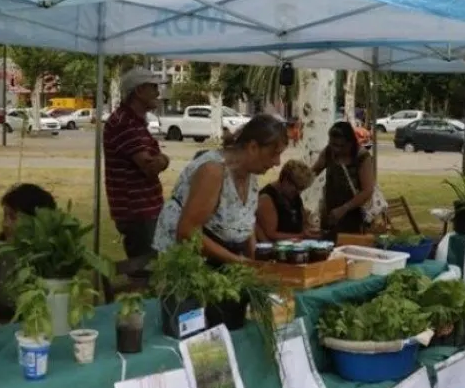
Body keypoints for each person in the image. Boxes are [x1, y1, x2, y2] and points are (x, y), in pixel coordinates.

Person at [153, 115, 287, 265]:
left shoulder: (250, 175)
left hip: (222, 263)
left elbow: (245, 226)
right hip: (187, 264)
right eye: (274, 154)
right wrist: (239, 262)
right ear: (253, 147)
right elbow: (187, 232)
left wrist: (254, 265)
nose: (277, 162)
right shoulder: (213, 171)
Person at [104, 67, 170, 275]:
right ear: (139, 91)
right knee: (146, 274)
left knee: (153, 268)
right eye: (153, 88)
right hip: (137, 212)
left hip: (146, 208)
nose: (158, 93)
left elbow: (157, 159)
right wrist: (163, 160)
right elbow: (150, 167)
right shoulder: (124, 123)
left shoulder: (135, 122)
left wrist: (161, 159)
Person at [0, 184, 56, 325]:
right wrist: (3, 334)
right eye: (5, 215)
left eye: (13, 217)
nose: (5, 224)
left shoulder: (56, 257)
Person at [313, 121, 376, 236]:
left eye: (340, 146)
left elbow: (367, 191)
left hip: (355, 215)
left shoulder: (362, 157)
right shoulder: (329, 152)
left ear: (350, 143)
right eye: (332, 144)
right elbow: (313, 172)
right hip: (331, 213)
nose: (336, 149)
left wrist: (344, 208)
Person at [256, 159, 316, 242]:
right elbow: (271, 234)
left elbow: (303, 222)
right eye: (296, 188)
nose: (298, 192)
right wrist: (301, 236)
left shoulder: (294, 196)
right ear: (285, 180)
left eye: (301, 189)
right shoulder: (266, 198)